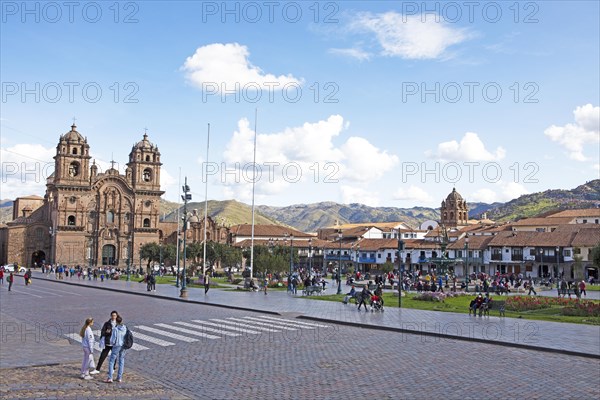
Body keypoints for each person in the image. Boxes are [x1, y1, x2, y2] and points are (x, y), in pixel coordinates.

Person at [106, 315, 127, 383]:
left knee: (112, 361)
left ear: (116, 322)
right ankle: (119, 378)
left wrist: (111, 343)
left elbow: (113, 339)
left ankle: (110, 378)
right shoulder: (125, 328)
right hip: (123, 346)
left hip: (117, 346)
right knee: (121, 361)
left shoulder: (115, 329)